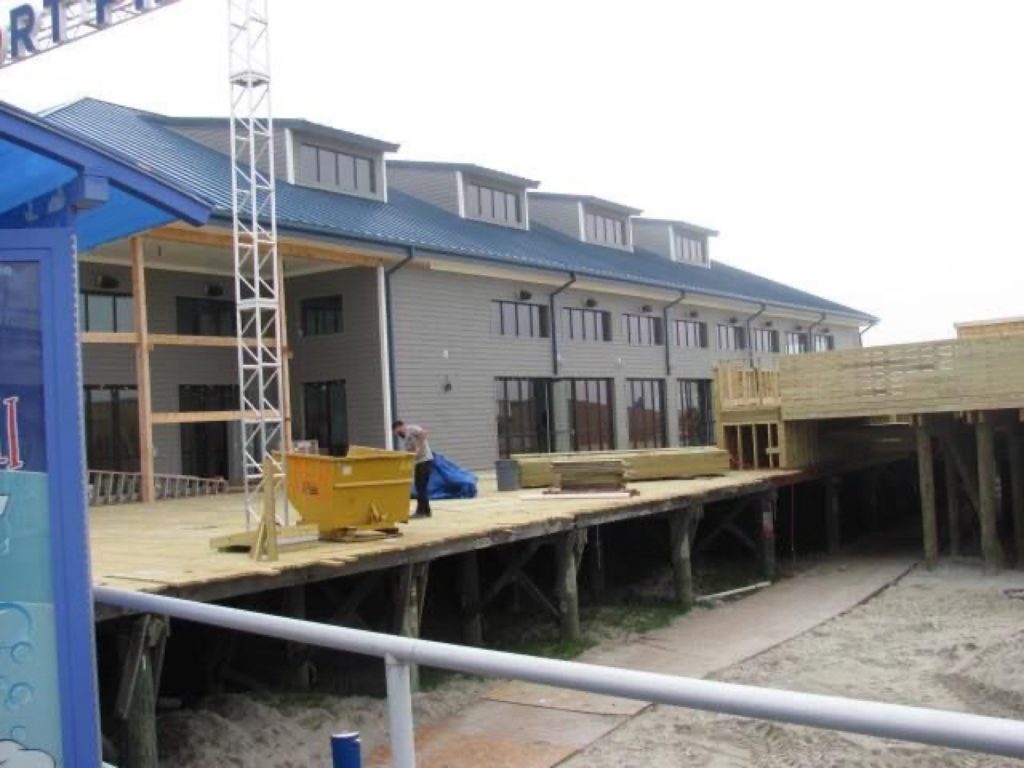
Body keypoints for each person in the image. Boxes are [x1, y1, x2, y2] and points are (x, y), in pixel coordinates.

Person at [393, 420, 434, 518]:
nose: (398, 434)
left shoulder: (411, 429)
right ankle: (426, 511)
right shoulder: (406, 439)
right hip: (419, 463)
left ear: (401, 427)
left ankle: (421, 512)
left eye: (397, 431)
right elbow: (410, 453)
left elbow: (423, 433)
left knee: (421, 487)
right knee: (419, 487)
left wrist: (419, 448)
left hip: (425, 461)